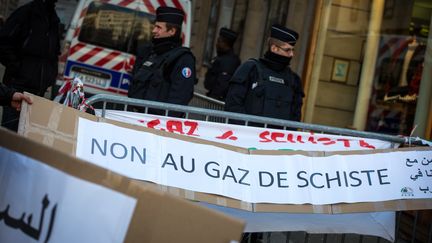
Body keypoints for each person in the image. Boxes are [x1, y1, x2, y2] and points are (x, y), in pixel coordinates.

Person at [0, 0, 60, 131]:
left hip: (39, 93)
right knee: (10, 137)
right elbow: (3, 43)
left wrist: (50, 76)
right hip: (17, 87)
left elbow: (54, 54)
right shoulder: (25, 13)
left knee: (26, 136)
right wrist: (17, 68)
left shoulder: (54, 19)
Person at [224, 24, 304, 122]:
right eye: (287, 50)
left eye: (292, 50)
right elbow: (233, 105)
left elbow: (295, 116)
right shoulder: (250, 69)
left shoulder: (293, 80)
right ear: (274, 48)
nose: (292, 54)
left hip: (279, 137)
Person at [128, 6, 196, 117]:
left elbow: (178, 101)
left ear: (172, 31)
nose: (154, 30)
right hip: (135, 117)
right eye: (155, 26)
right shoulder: (151, 53)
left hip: (156, 124)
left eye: (159, 27)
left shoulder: (182, 59)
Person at [204, 27, 241, 101]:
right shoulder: (220, 58)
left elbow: (222, 85)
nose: (216, 44)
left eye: (219, 41)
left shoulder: (230, 61)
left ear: (225, 43)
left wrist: (212, 100)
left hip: (218, 101)